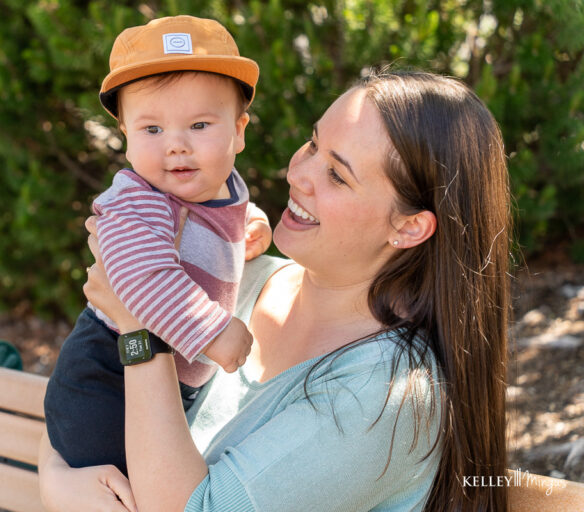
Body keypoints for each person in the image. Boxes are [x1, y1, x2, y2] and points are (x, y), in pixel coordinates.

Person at [40, 69, 512, 512]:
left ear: (409, 227)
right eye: (312, 144)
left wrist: (140, 329)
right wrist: (58, 482)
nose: (297, 173)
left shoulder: (381, 397)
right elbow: (87, 396)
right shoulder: (239, 282)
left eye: (337, 175)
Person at [43, 15, 273, 477]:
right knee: (134, 487)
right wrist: (211, 330)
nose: (176, 146)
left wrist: (252, 221)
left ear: (239, 131)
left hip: (168, 375)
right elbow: (142, 276)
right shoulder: (137, 200)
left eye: (200, 124)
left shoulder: (220, 185)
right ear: (125, 137)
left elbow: (222, 215)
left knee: (162, 474)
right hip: (108, 375)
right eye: (151, 130)